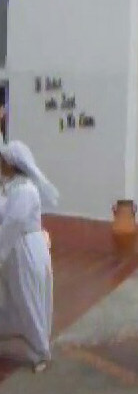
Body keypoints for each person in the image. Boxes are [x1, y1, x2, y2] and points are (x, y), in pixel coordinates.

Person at [0, 136, 58, 372]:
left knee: (29, 298)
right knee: (14, 296)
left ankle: (40, 352)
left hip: (24, 250)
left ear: (12, 164)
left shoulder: (25, 191)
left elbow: (12, 224)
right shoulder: (12, 188)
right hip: (16, 248)